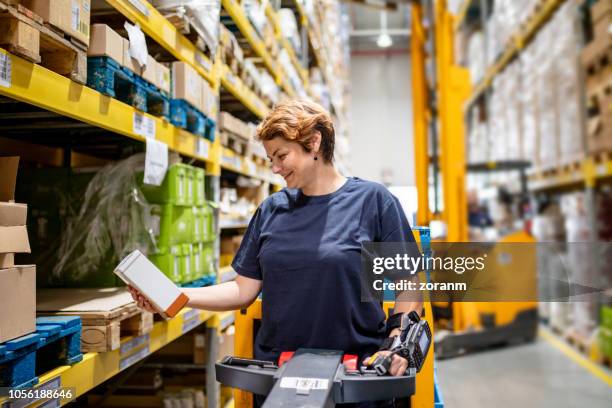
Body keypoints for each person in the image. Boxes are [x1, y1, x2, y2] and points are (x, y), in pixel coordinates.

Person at [129, 100, 423, 407]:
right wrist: (178, 295)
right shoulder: (271, 210)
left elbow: (409, 284)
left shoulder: (373, 201)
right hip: (279, 376)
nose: (275, 167)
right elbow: (243, 290)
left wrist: (397, 343)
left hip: (354, 376)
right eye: (271, 158)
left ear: (313, 143)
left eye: (282, 155)